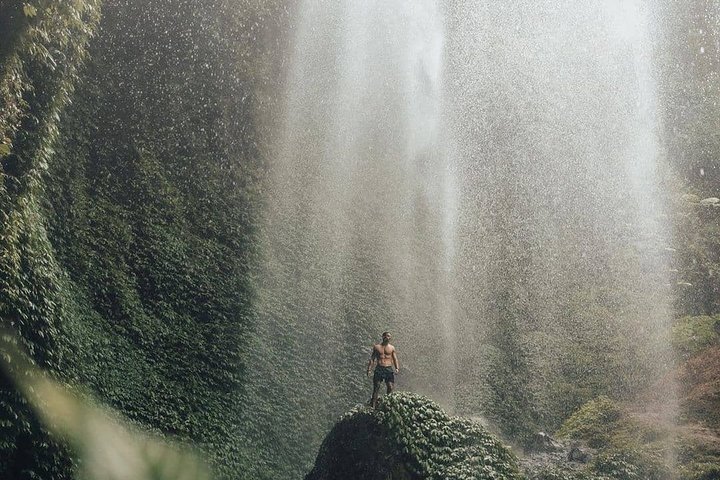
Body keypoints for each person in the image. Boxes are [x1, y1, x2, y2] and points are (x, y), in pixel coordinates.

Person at [366, 331, 399, 408]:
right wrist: (369, 369)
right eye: (386, 336)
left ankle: (388, 404)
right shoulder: (377, 347)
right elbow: (372, 359)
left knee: (390, 387)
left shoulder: (392, 348)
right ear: (383, 337)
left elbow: (395, 359)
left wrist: (397, 368)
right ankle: (373, 406)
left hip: (388, 368)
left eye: (389, 336)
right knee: (376, 387)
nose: (387, 337)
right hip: (379, 368)